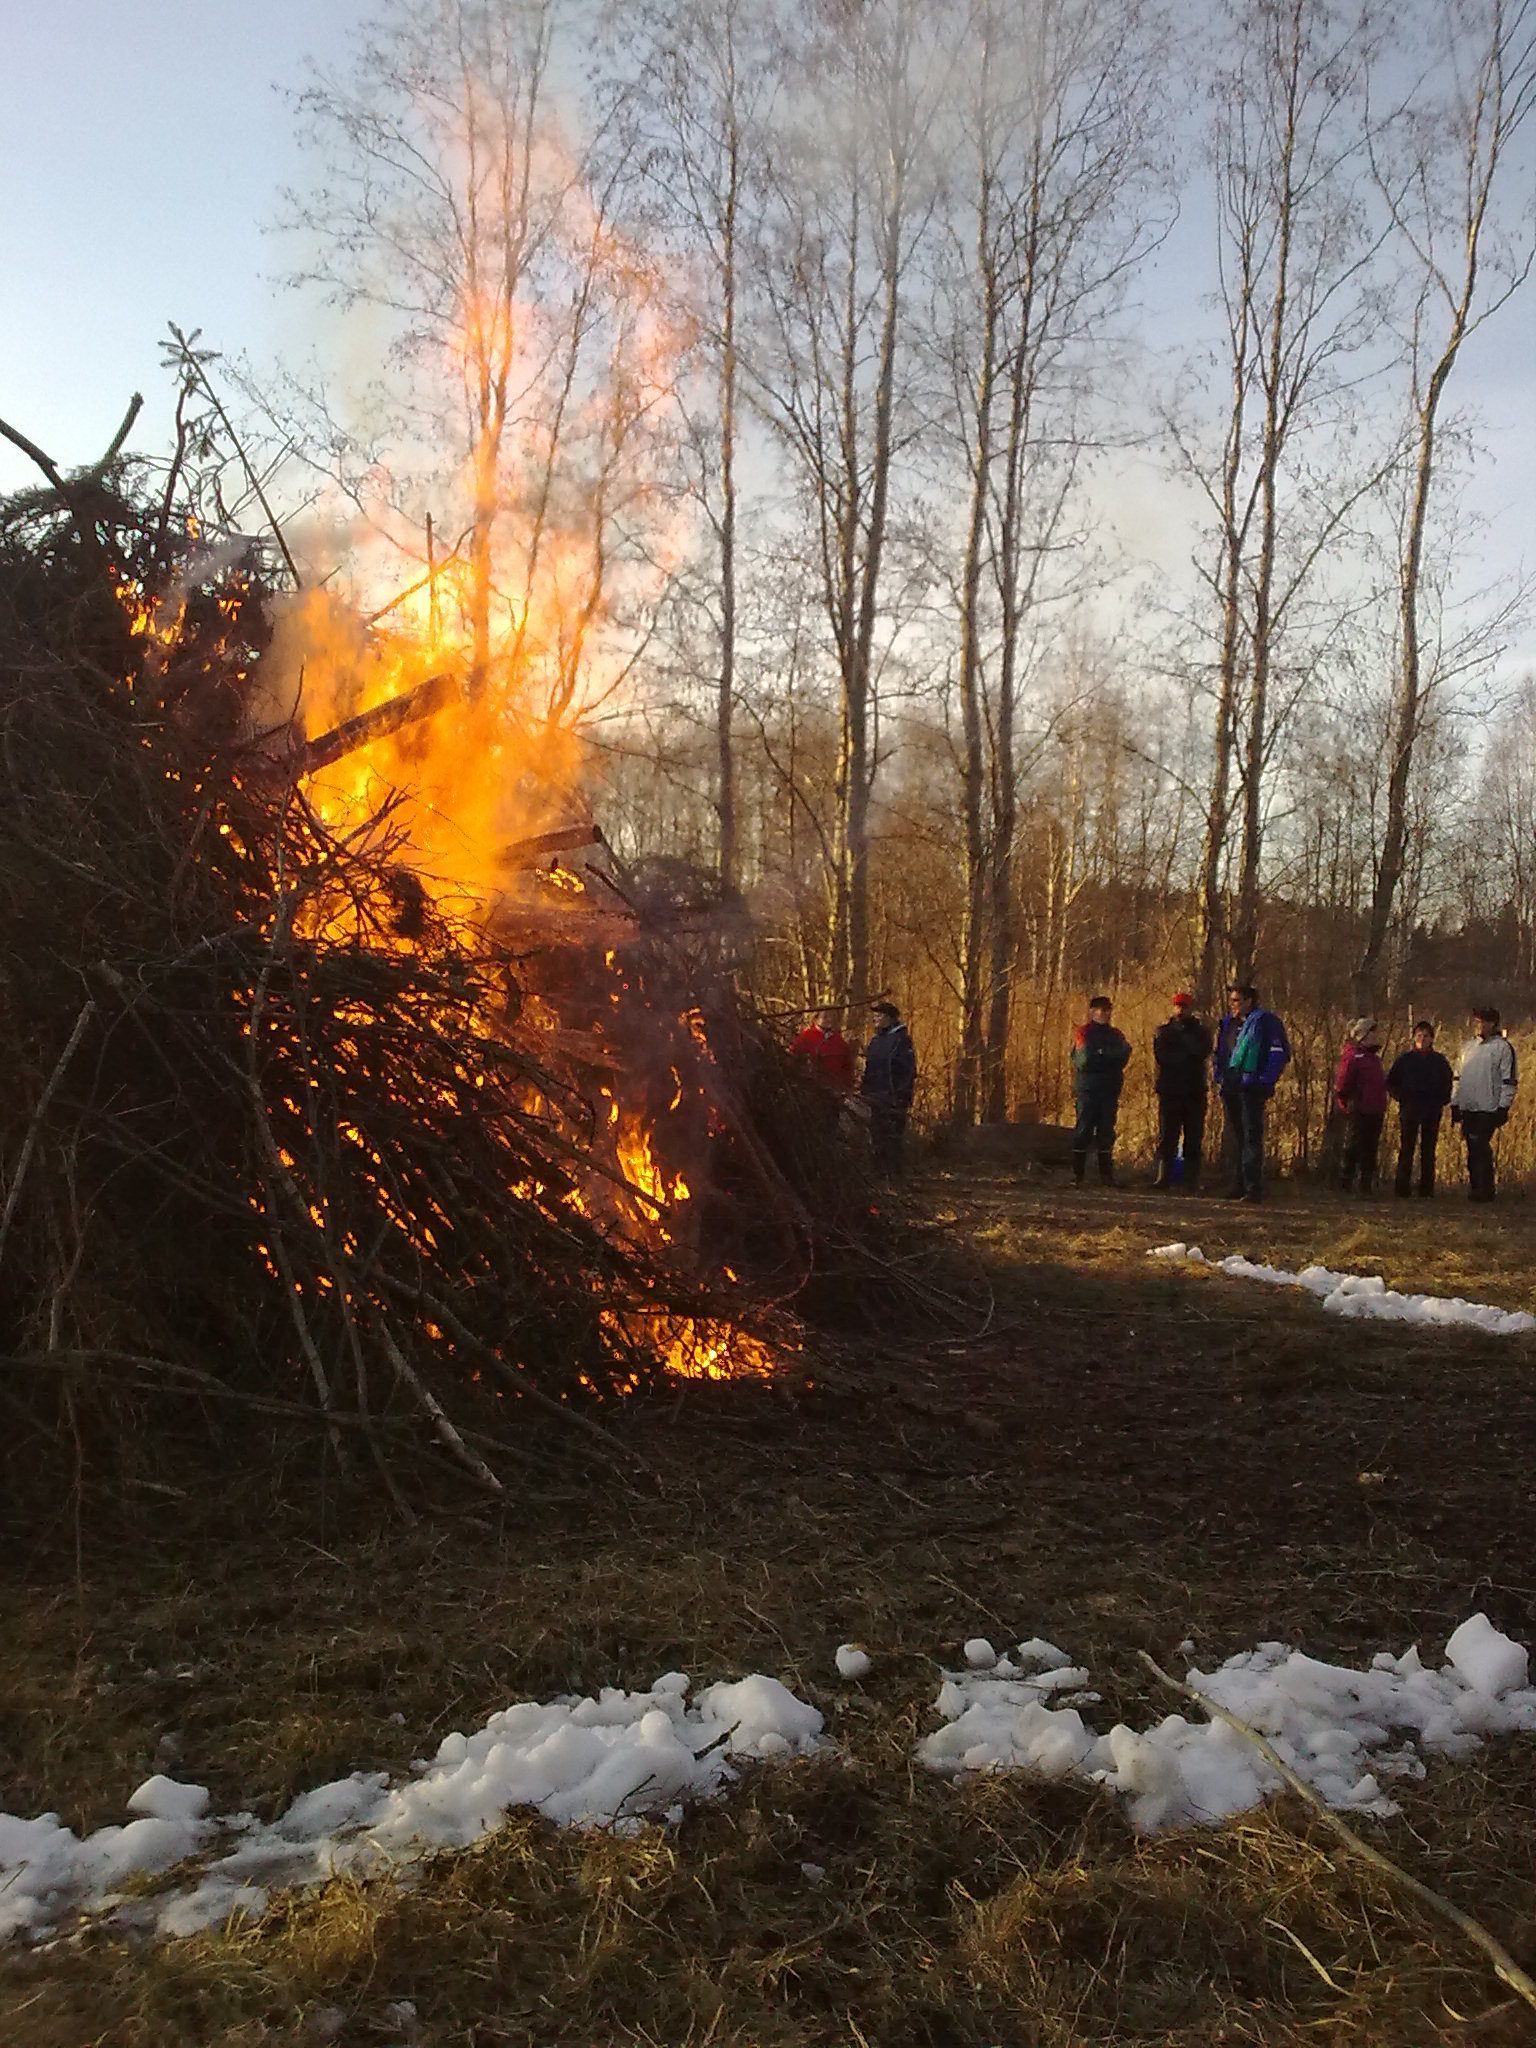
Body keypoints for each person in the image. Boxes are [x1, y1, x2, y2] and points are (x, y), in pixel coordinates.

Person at [1217, 984, 1291, 1201]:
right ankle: (1238, 1184)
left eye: (1237, 1001)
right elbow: (1221, 1052)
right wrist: (1219, 1075)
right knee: (1238, 1137)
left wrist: (1264, 1080)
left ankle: (1253, 1188)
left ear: (1249, 1001)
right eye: (1232, 1000)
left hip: (1251, 1087)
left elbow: (1279, 1053)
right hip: (1231, 1085)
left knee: (1251, 1138)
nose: (1233, 1005)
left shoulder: (1266, 1022)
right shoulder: (1228, 1024)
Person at [1451, 1006, 1518, 1203]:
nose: (1478, 1026)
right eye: (1476, 1022)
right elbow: (1458, 1077)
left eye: (1482, 1022)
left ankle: (1485, 1189)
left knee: (1480, 1146)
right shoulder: (1467, 1048)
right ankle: (1475, 1187)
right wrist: (1455, 1103)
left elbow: (1509, 1079)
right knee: (1472, 1147)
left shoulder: (1502, 1048)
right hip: (1468, 1106)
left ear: (1492, 1024)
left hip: (1488, 1107)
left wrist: (1503, 1106)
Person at [1152, 991, 1213, 1190]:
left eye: (1184, 1006)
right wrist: (1185, 1054)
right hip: (1170, 1091)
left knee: (1194, 1137)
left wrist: (1183, 1047)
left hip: (1195, 1091)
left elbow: (1201, 1052)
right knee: (1167, 1136)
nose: (1180, 1010)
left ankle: (1191, 1181)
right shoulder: (1163, 1031)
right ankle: (1163, 1178)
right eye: (1178, 1006)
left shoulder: (1201, 1032)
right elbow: (1163, 1057)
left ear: (1190, 1008)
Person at [1070, 995, 1132, 1186]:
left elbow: (1124, 1054)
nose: (1104, 1013)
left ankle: (1106, 1176)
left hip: (1110, 1089)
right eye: (1100, 1009)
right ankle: (1077, 1176)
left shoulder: (1116, 1034)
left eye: (1107, 1010)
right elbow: (1084, 1060)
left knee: (1106, 1131)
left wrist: (1102, 1054)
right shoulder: (1083, 1033)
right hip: (1088, 1089)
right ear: (1092, 1012)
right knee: (1083, 1130)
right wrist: (1107, 1056)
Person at [1387, 1020, 1454, 1197]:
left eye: (1426, 1036)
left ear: (1432, 1039)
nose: (1422, 1039)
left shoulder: (1439, 1062)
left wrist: (1441, 1100)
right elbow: (1391, 1082)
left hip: (1431, 1110)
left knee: (1428, 1149)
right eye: (1419, 1036)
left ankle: (1426, 1189)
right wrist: (1401, 1097)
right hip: (1409, 1109)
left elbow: (1448, 1083)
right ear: (1414, 1038)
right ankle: (1402, 1188)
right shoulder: (1405, 1060)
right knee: (1407, 1148)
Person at [860, 1000, 916, 1177]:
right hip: (874, 1096)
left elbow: (907, 1070)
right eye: (874, 1016)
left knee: (892, 1139)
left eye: (879, 1015)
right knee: (877, 1137)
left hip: (893, 1098)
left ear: (890, 1018)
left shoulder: (901, 1040)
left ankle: (893, 1176)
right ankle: (879, 1174)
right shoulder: (876, 1040)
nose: (875, 1019)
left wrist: (900, 1095)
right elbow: (870, 1068)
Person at [1333, 1018, 1389, 1196]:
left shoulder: (1374, 1059)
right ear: (1363, 1036)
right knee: (1353, 1145)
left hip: (1375, 1109)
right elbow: (1342, 1084)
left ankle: (1365, 1184)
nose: (1376, 1036)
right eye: (1372, 1032)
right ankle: (1345, 1182)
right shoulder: (1353, 1056)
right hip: (1359, 1108)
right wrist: (1347, 1102)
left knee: (1370, 1148)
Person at [791, 1009, 857, 1092]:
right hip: (811, 1089)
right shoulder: (805, 1037)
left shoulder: (839, 1041)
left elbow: (848, 1066)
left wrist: (847, 1086)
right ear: (815, 1019)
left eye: (832, 1017)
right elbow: (795, 1060)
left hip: (835, 1090)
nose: (829, 1019)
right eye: (825, 1016)